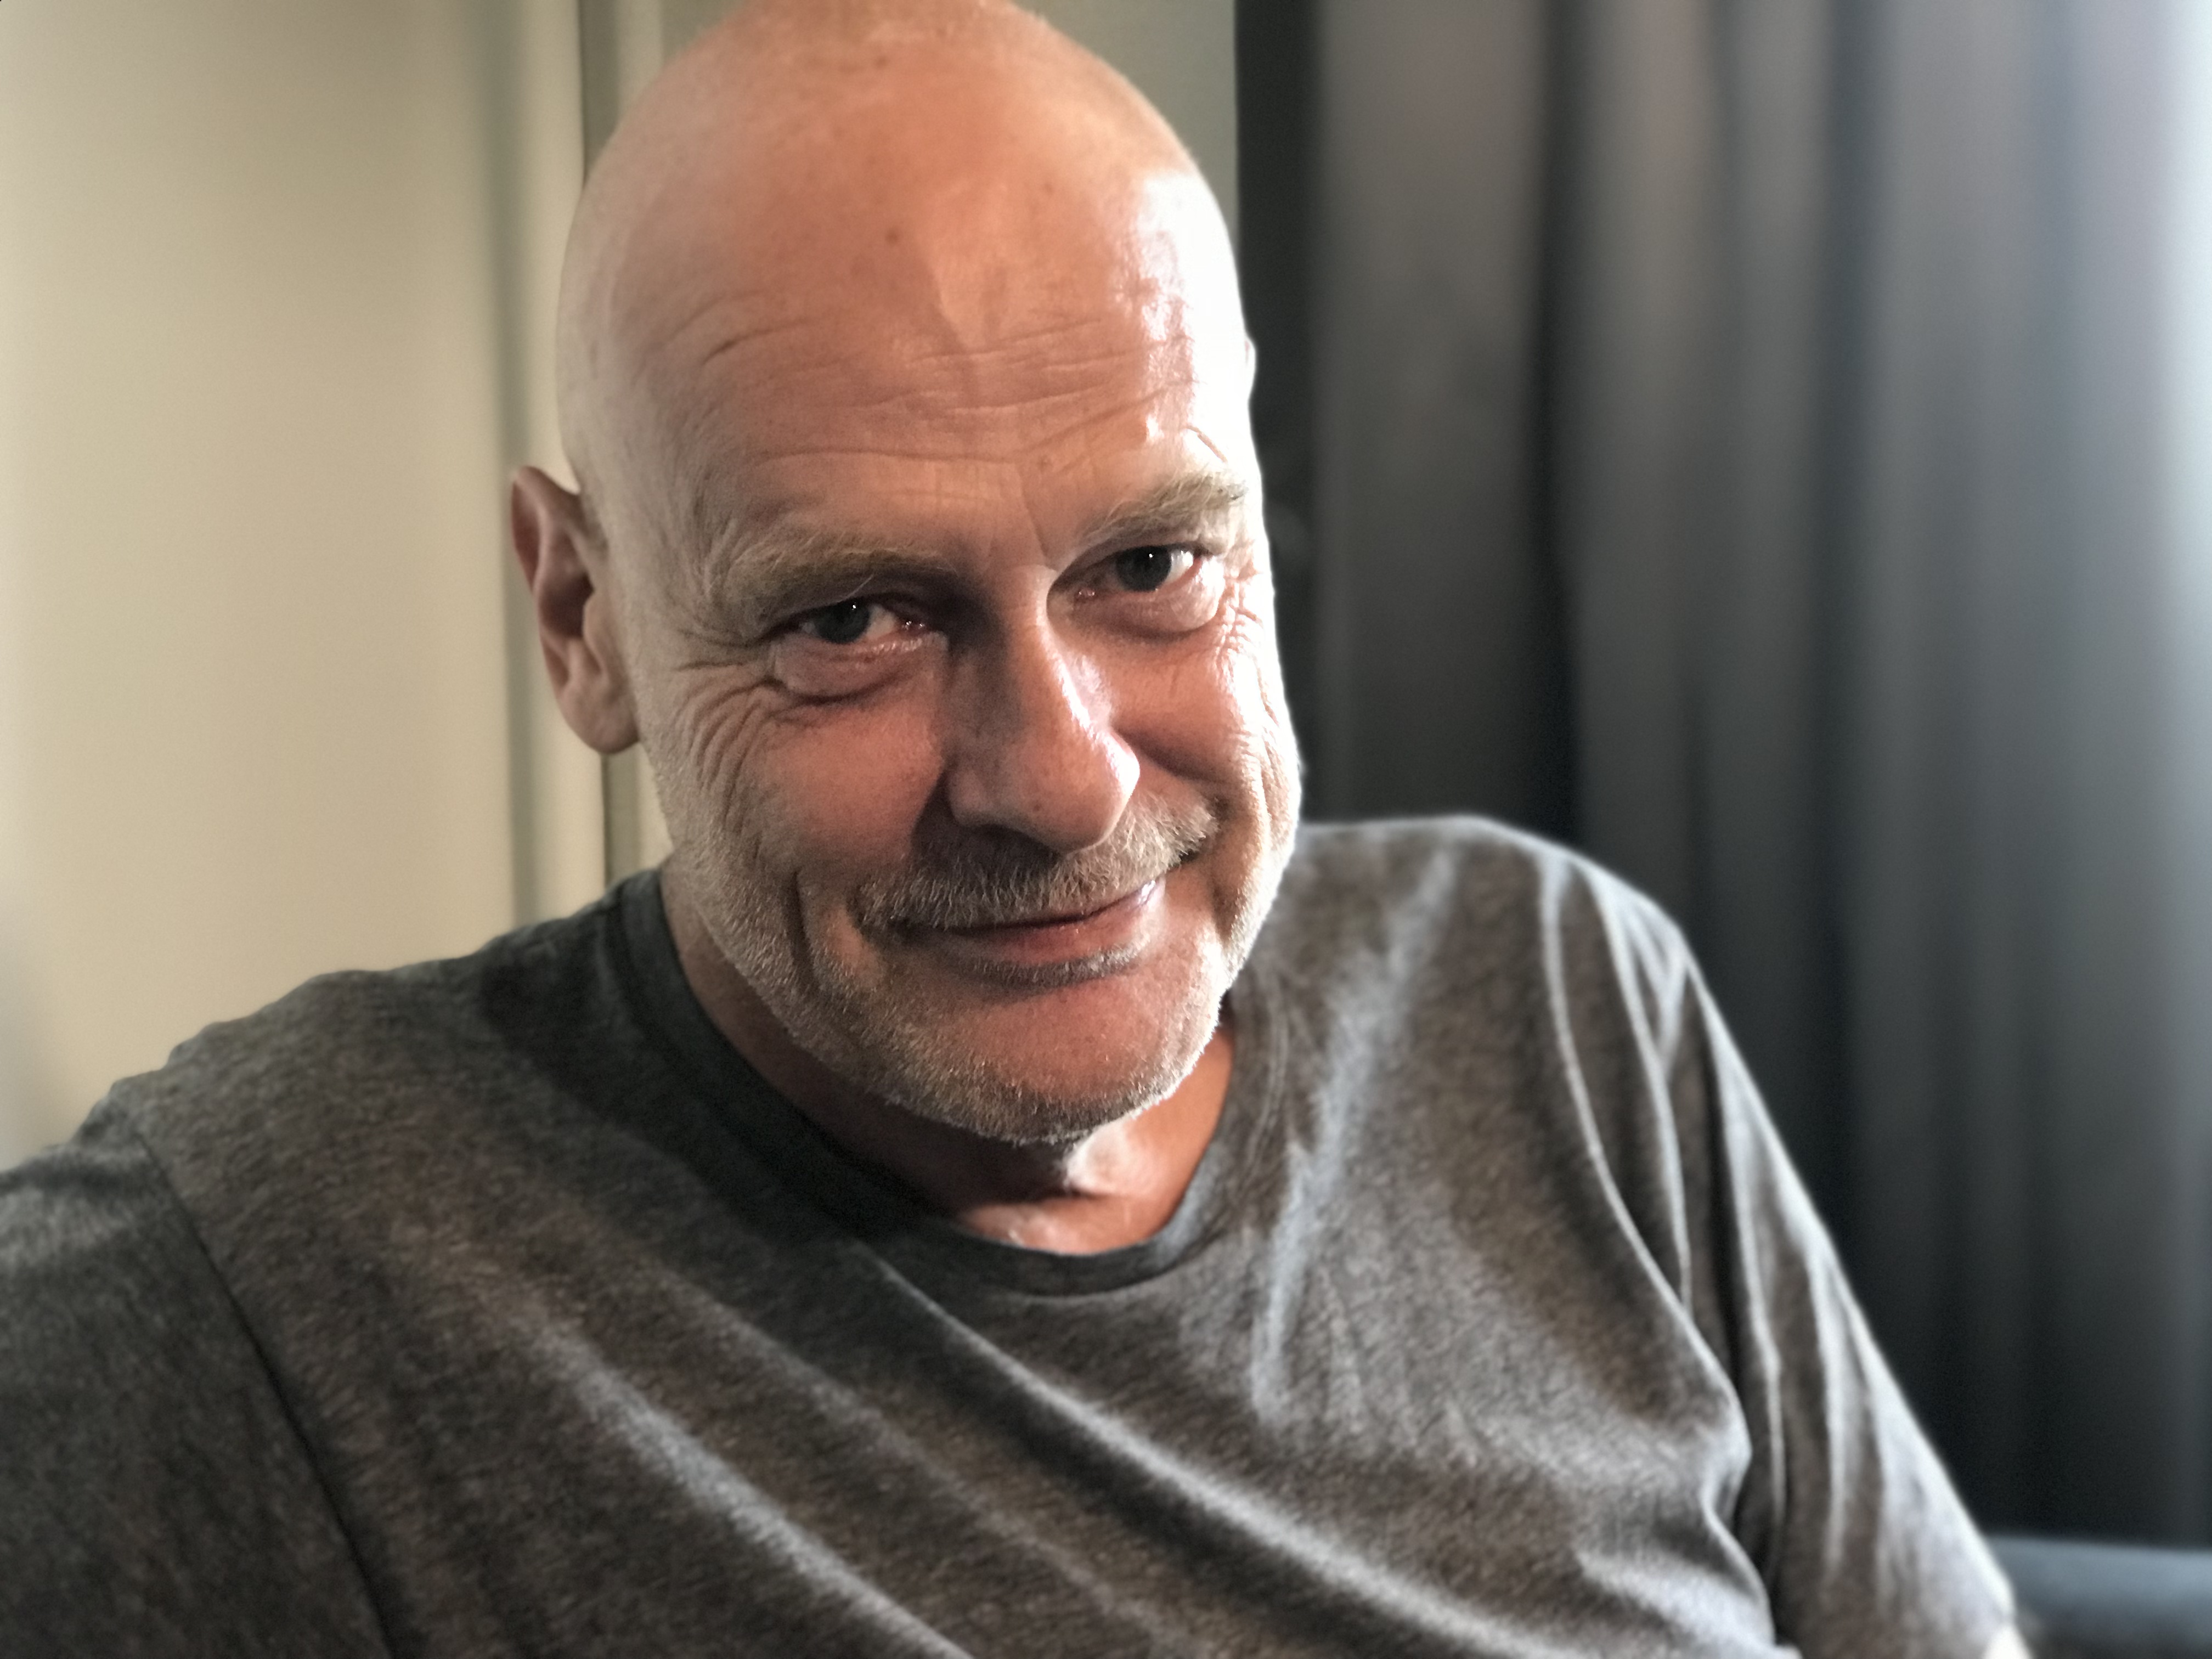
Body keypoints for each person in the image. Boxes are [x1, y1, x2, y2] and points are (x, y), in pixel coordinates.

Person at [0, 3, 2023, 1654]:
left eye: (1151, 562)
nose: (1058, 781)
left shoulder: (1556, 999)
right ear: (583, 619)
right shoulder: (266, 1272)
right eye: (853, 620)